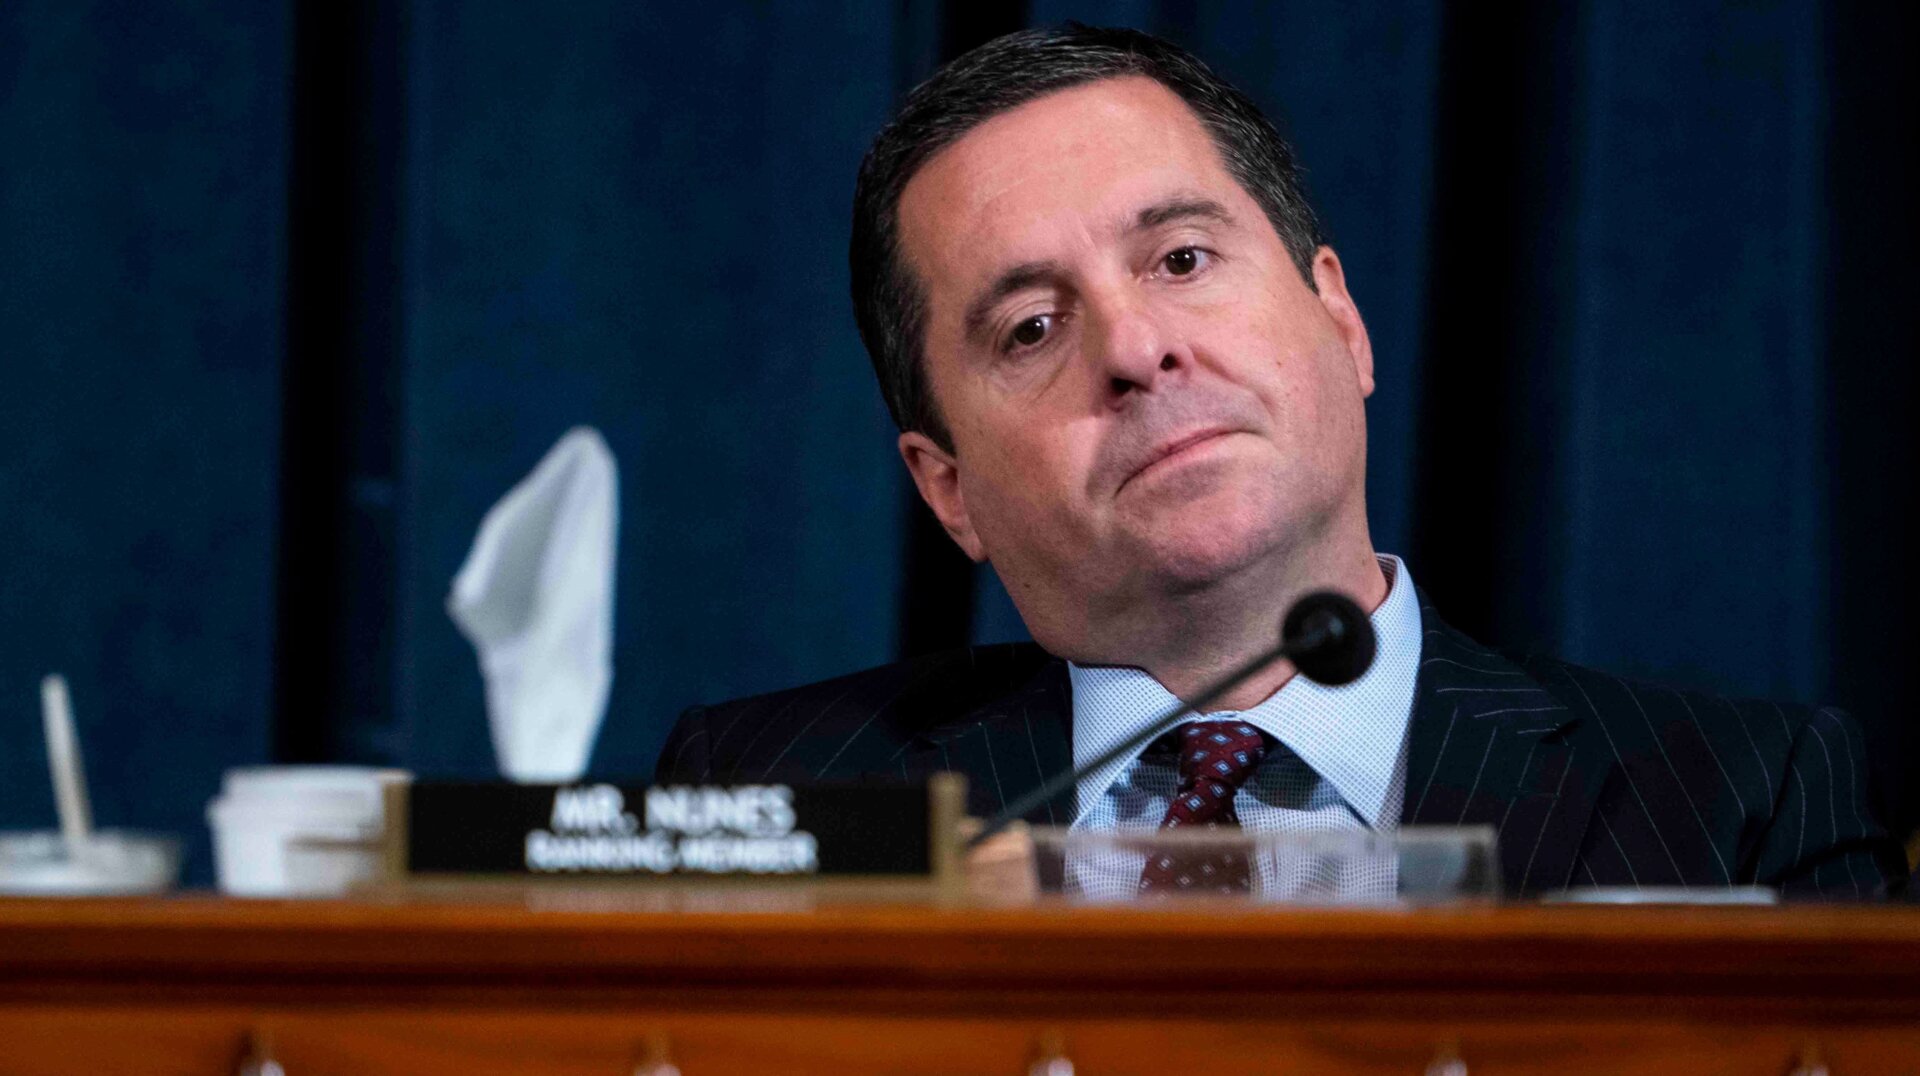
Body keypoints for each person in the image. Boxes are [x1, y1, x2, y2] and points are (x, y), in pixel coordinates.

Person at [655, 25, 1904, 898]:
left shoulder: (1743, 803)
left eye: (1182, 259)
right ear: (947, 488)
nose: (1137, 348)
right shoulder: (768, 795)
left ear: (1341, 320)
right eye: (1031, 327)